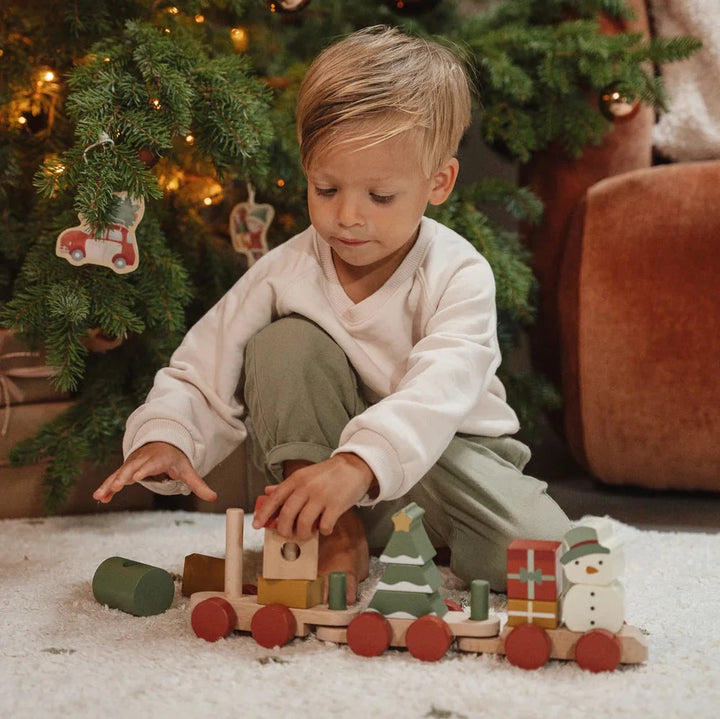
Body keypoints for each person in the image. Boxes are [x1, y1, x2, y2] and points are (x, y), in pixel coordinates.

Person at [93, 26, 570, 603]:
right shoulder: (286, 269)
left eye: (380, 197)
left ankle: (427, 541)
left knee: (552, 561)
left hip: (447, 459)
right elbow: (204, 363)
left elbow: (441, 387)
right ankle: (335, 532)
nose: (347, 217)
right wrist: (168, 437)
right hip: (325, 472)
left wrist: (360, 463)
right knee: (281, 343)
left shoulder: (457, 272)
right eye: (326, 188)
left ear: (437, 183)